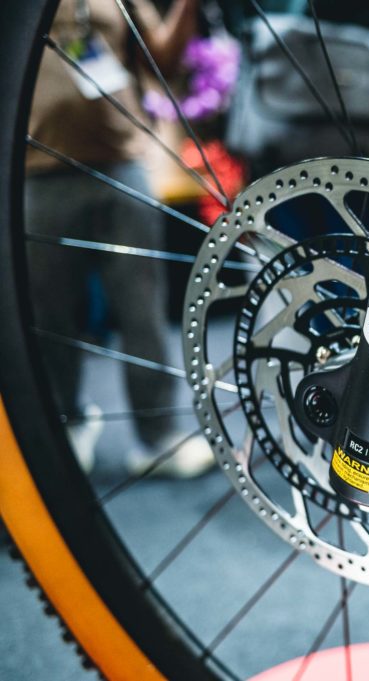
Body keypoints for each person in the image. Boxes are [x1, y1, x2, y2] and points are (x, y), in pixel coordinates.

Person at [26, 0, 214, 477]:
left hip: (121, 165)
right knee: (48, 315)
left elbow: (163, 61)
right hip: (36, 171)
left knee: (142, 309)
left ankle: (158, 437)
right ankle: (67, 422)